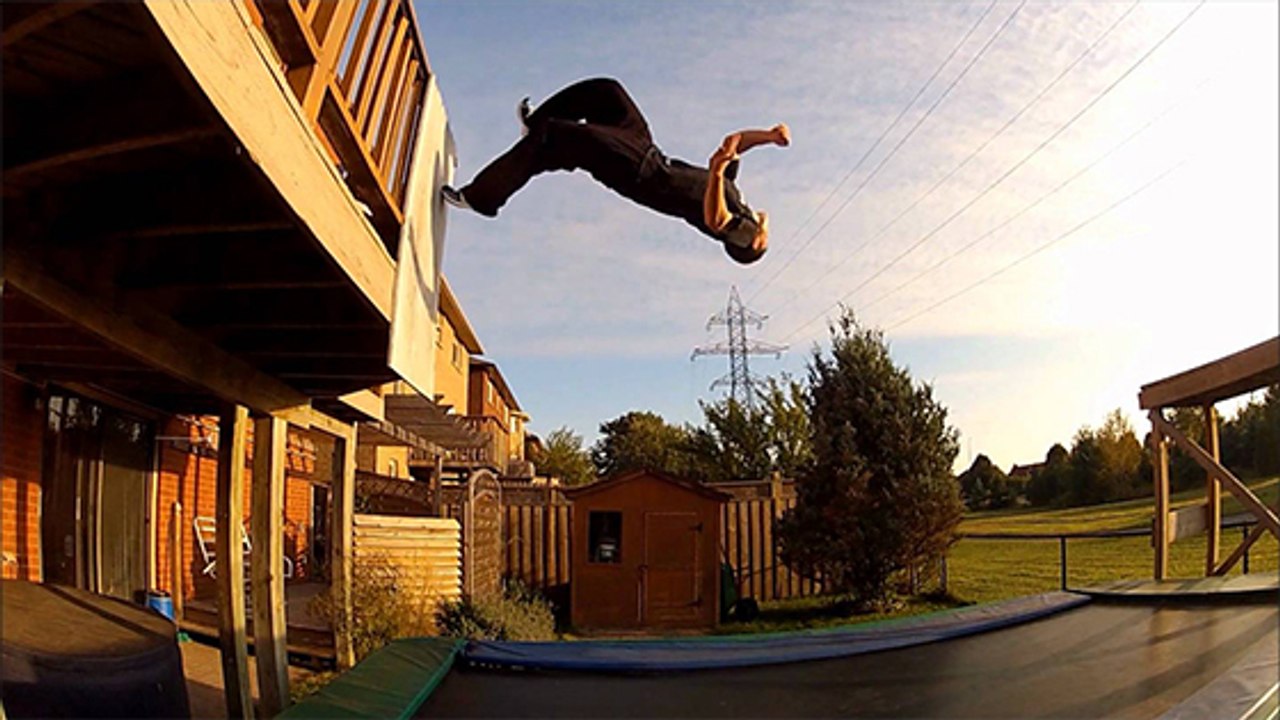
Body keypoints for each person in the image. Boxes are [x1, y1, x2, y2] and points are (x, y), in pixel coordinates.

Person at [441, 77, 789, 265]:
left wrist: (715, 173)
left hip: (636, 172)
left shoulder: (736, 225)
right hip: (646, 148)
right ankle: (535, 124)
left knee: (559, 138)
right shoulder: (734, 194)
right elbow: (736, 141)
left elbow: (716, 220)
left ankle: (480, 197)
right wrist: (770, 137)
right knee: (608, 93)